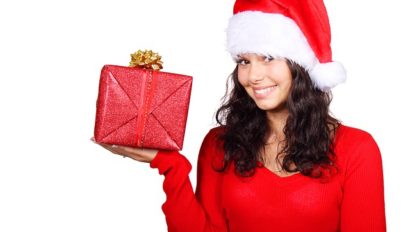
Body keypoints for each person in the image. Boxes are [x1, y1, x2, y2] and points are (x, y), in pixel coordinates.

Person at [95, 0, 386, 231]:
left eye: (268, 57)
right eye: (244, 61)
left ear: (302, 66)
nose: (253, 75)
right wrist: (170, 165)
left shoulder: (357, 150)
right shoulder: (219, 144)